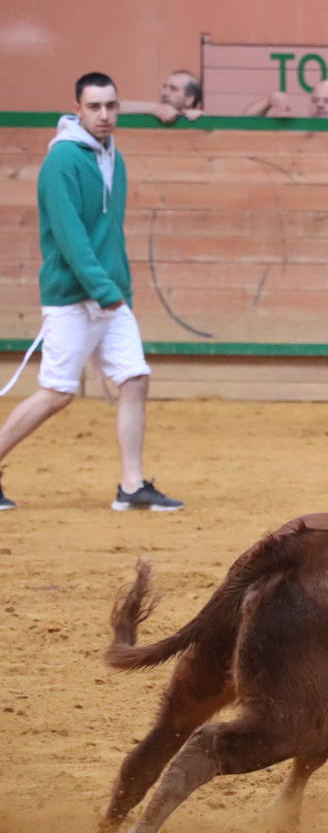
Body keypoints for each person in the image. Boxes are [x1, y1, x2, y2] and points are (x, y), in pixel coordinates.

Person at [0, 73, 184, 513]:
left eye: (111, 106)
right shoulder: (62, 161)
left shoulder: (112, 157)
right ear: (77, 109)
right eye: (95, 107)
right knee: (58, 392)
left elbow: (109, 234)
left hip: (108, 294)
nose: (105, 115)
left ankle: (131, 485)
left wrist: (118, 288)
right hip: (73, 296)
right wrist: (104, 289)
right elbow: (70, 236)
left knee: (135, 379)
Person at [242, 79, 328, 125]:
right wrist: (268, 102)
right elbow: (245, 123)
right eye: (315, 100)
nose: (319, 105)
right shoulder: (298, 132)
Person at [118, 69, 204, 125]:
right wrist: (154, 108)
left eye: (173, 89)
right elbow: (116, 107)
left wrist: (199, 120)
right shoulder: (156, 111)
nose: (164, 93)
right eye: (164, 87)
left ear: (189, 99)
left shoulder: (200, 118)